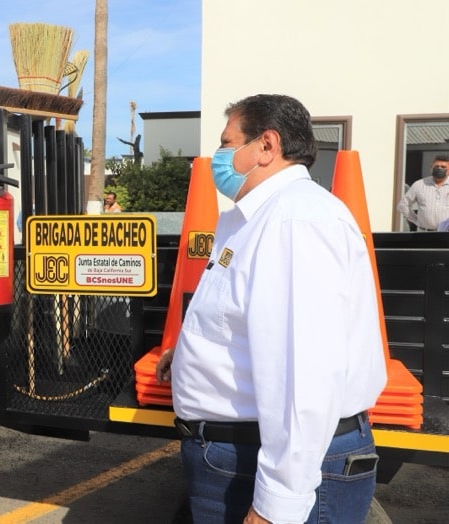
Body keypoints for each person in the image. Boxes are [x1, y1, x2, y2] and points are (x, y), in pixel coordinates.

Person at [156, 94, 387, 523]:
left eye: (228, 143)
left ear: (266, 145)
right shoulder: (257, 219)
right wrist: (190, 355)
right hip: (236, 454)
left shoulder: (292, 223)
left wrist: (276, 505)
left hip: (259, 462)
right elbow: (250, 323)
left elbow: (303, 375)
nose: (218, 157)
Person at [397, 154, 449, 231]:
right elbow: (402, 205)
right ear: (431, 168)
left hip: (446, 233)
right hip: (424, 232)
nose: (439, 169)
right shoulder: (419, 185)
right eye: (436, 166)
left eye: (443, 167)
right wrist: (417, 221)